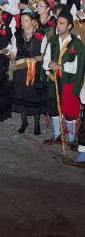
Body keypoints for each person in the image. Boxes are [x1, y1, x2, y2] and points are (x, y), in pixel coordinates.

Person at [43, 10, 85, 148]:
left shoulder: (76, 44)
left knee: (70, 111)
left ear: (69, 26)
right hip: (54, 79)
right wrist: (50, 64)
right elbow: (46, 60)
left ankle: (71, 139)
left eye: (62, 24)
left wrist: (60, 66)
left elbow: (76, 67)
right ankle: (57, 135)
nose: (58, 26)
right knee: (54, 108)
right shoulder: (53, 40)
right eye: (58, 23)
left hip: (69, 82)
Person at [10, 8, 47, 135]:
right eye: (22, 21)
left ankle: (37, 124)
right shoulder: (17, 35)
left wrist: (35, 58)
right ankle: (24, 121)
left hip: (34, 69)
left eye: (26, 20)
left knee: (34, 96)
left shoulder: (41, 35)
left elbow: (44, 55)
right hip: (21, 70)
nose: (23, 23)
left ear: (33, 21)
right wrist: (14, 60)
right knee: (21, 94)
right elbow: (13, 52)